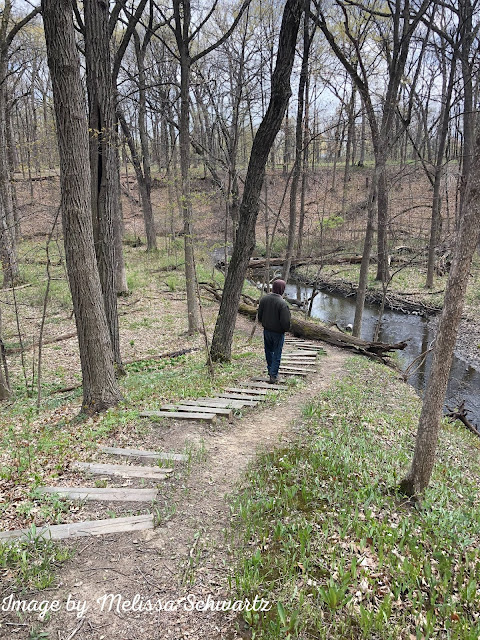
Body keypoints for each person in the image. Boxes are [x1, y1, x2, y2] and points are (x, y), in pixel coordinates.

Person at [257, 279, 291, 384]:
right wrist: (286, 329)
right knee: (277, 353)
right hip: (278, 333)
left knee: (268, 352)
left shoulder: (264, 299)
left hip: (266, 331)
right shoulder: (282, 303)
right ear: (282, 289)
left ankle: (270, 370)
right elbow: (286, 322)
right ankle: (273, 375)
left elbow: (260, 316)